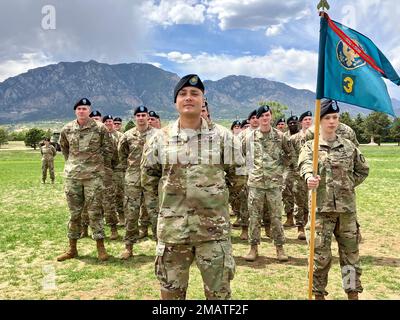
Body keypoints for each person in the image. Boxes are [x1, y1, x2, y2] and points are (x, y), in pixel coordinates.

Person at [141, 74, 244, 300]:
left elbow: (238, 177)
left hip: (213, 232)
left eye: (195, 94)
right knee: (171, 297)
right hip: (172, 232)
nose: (189, 97)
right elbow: (148, 178)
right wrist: (166, 210)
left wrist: (214, 199)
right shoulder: (159, 138)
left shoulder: (224, 137)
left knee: (218, 296)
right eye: (183, 94)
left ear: (203, 100)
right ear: (175, 101)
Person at [298, 99, 369, 300]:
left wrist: (346, 185)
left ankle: (352, 293)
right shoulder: (310, 147)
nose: (332, 122)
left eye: (335, 118)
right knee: (320, 257)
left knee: (350, 257)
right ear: (320, 121)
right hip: (321, 211)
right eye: (327, 118)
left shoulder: (348, 146)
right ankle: (318, 294)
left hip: (346, 212)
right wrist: (309, 179)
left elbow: (363, 170)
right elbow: (304, 167)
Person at [57, 98, 112, 262]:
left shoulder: (100, 128)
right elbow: (64, 149)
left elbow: (107, 149)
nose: (82, 111)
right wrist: (73, 164)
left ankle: (101, 248)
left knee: (95, 212)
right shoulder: (67, 129)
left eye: (85, 108)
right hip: (73, 176)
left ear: (89, 110)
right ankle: (72, 248)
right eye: (79, 108)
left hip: (93, 176)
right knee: (74, 214)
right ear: (75, 111)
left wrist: (98, 167)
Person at [243, 105, 291, 262]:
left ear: (271, 117)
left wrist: (280, 170)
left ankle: (280, 248)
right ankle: (253, 248)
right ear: (257, 118)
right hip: (256, 184)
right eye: (262, 115)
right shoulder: (249, 137)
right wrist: (250, 170)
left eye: (267, 115)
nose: (265, 118)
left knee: (276, 217)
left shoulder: (280, 136)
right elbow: (241, 155)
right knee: (254, 217)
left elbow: (289, 154)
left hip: (274, 184)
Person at [118, 105, 157, 259]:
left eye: (143, 115)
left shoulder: (157, 135)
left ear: (148, 117)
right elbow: (122, 155)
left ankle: (160, 247)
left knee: (155, 214)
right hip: (132, 179)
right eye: (138, 115)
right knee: (131, 214)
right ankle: (128, 247)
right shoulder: (127, 136)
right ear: (134, 118)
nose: (141, 118)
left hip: (151, 180)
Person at [289, 110, 313, 240]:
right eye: (305, 120)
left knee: (312, 201)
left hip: (313, 175)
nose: (308, 122)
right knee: (299, 202)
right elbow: (292, 157)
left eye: (310, 119)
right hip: (298, 175)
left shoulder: (317, 137)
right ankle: (300, 227)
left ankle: (311, 225)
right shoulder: (294, 139)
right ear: (301, 122)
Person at [102, 115, 120, 240]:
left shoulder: (111, 137)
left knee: (109, 202)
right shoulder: (95, 135)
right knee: (92, 204)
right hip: (92, 173)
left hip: (107, 173)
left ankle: (113, 229)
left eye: (110, 121)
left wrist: (109, 168)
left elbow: (116, 155)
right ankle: (91, 229)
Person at [282, 115, 299, 228]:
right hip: (288, 168)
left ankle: (302, 220)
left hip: (301, 169)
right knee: (286, 193)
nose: (292, 124)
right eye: (290, 123)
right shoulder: (284, 137)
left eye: (294, 122)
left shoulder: (303, 135)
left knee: (301, 195)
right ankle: (289, 217)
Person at [112, 117, 126, 226]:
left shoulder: (123, 136)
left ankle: (122, 216)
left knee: (120, 194)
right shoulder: (106, 136)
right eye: (115, 123)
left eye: (118, 123)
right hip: (107, 169)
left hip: (119, 169)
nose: (116, 125)